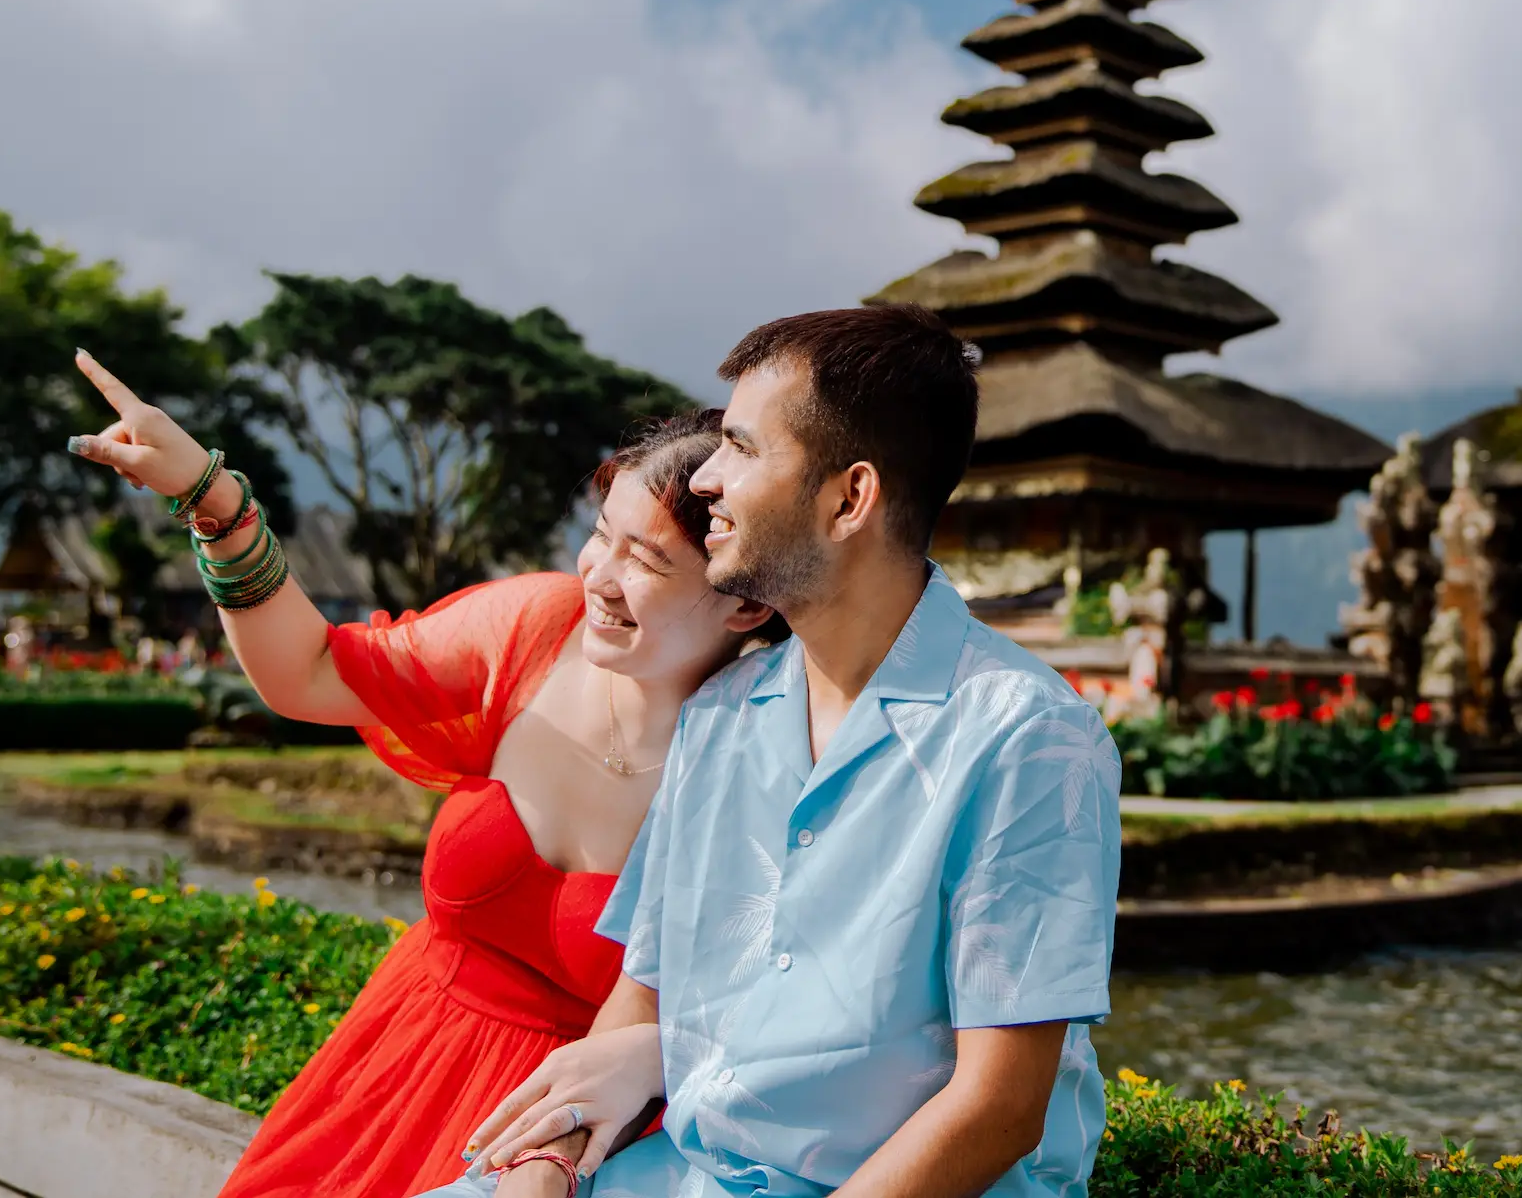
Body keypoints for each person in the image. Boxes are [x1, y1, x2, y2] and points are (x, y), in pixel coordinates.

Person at [441, 307, 1123, 1198]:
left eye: (741, 447)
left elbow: (999, 1104)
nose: (709, 481)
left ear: (850, 498)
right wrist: (548, 1163)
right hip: (679, 1173)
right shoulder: (722, 715)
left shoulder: (1028, 738)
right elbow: (640, 997)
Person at [63, 353, 778, 1198]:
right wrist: (216, 503)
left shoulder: (762, 746)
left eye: (646, 562)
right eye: (600, 534)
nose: (599, 575)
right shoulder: (534, 627)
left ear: (745, 601)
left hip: (581, 1141)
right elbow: (311, 672)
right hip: (385, 1078)